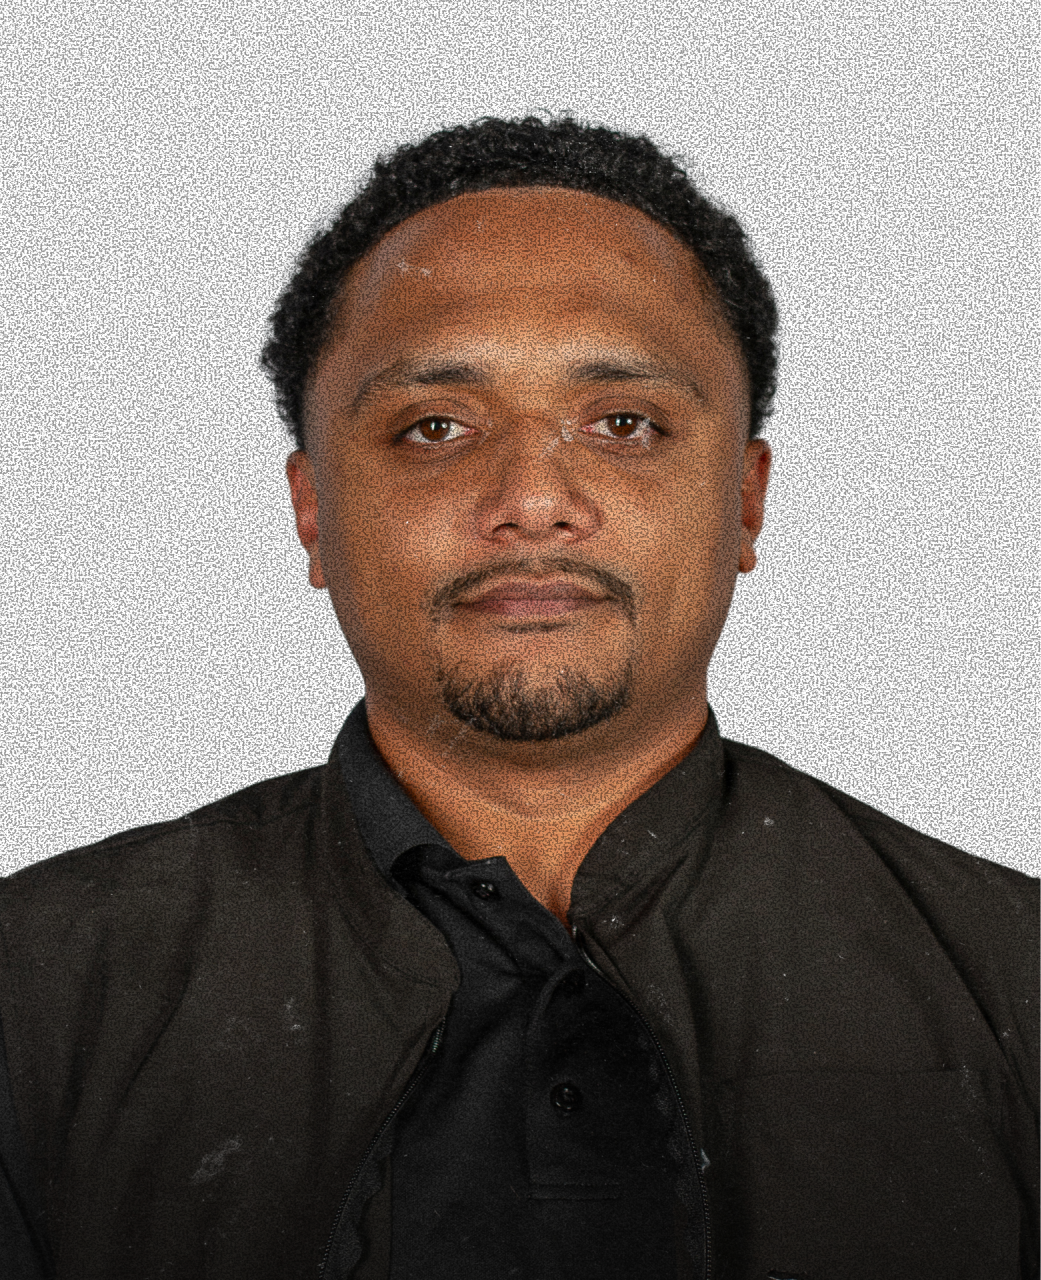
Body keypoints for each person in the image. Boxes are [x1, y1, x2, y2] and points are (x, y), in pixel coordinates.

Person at [1, 114, 1038, 1280]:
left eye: (624, 424)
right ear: (312, 510)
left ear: (746, 500)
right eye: (435, 426)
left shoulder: (1013, 977)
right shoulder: (36, 996)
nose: (533, 500)